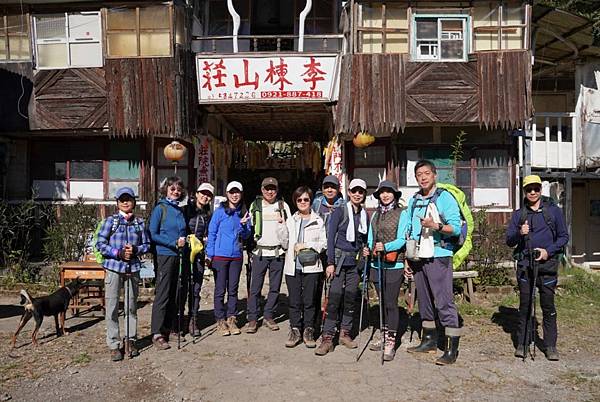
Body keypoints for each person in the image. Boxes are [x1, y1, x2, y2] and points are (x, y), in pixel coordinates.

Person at [404, 160, 463, 365]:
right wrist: (407, 258)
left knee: (444, 301)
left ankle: (450, 350)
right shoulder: (414, 200)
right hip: (418, 256)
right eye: (419, 174)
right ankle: (428, 341)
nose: (423, 177)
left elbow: (455, 228)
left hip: (439, 255)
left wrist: (435, 225)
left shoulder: (445, 198)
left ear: (435, 175)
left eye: (426, 173)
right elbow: (410, 231)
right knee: (425, 301)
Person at [506, 175, 568, 361]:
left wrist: (548, 252)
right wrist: (519, 232)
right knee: (525, 306)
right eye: (529, 189)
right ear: (524, 191)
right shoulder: (519, 214)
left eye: (536, 189)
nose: (532, 192)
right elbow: (509, 241)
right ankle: (523, 344)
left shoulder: (553, 211)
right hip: (525, 266)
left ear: (541, 190)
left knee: (548, 307)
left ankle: (550, 346)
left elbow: (563, 237)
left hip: (547, 266)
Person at [96, 187, 151, 361]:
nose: (125, 202)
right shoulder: (110, 221)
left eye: (128, 199)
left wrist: (135, 249)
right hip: (113, 267)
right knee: (112, 307)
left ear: (134, 201)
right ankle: (114, 344)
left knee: (131, 307)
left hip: (133, 268)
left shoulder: (140, 223)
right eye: (122, 199)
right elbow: (100, 243)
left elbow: (147, 244)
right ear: (117, 202)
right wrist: (117, 253)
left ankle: (131, 340)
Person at [316, 178, 368, 356]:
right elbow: (330, 238)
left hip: (353, 263)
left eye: (361, 192)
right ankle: (328, 337)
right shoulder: (339, 211)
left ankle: (345, 333)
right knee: (334, 299)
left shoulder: (364, 214)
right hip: (337, 262)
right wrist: (330, 262)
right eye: (354, 191)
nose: (357, 195)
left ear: (364, 194)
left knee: (350, 298)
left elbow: (363, 240)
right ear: (349, 193)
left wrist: (364, 254)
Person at [362, 180, 408, 361]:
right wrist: (368, 248)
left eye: (389, 192)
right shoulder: (375, 215)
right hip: (376, 264)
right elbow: (370, 237)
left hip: (394, 264)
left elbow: (403, 238)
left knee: (390, 302)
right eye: (382, 192)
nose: (385, 195)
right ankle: (383, 333)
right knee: (381, 302)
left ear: (395, 195)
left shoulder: (401, 214)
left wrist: (386, 247)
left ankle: (391, 340)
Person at [281, 186, 327, 348]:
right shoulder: (290, 220)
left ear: (311, 201)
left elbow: (323, 243)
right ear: (295, 201)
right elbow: (284, 243)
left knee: (309, 301)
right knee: (294, 301)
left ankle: (309, 330)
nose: (302, 202)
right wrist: (281, 226)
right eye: (299, 199)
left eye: (306, 199)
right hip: (293, 266)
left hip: (312, 266)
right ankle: (295, 330)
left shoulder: (318, 220)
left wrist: (306, 245)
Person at [206, 181, 252, 336]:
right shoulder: (220, 212)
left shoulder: (244, 212)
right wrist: (210, 254)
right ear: (227, 194)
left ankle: (231, 318)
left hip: (236, 256)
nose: (234, 195)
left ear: (241, 193)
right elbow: (211, 232)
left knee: (233, 289)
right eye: (232, 192)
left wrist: (243, 225)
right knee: (220, 289)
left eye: (237, 192)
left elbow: (246, 235)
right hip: (220, 256)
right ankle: (220, 320)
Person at [246, 177, 291, 333]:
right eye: (267, 188)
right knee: (255, 287)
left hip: (277, 252)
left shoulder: (283, 206)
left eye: (272, 188)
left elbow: (289, 228)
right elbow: (248, 227)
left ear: (277, 190)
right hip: (260, 252)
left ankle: (268, 315)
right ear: (262, 189)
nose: (270, 191)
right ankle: (252, 318)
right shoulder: (255, 205)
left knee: (275, 287)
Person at [148, 176, 187, 350]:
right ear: (166, 190)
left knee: (175, 293)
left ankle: (169, 327)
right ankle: (156, 333)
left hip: (178, 255)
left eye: (178, 189)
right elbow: (153, 234)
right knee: (163, 294)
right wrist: (172, 243)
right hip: (164, 255)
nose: (176, 192)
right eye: (172, 189)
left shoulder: (179, 209)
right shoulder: (160, 208)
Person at [183, 182, 214, 337]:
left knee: (195, 289)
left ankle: (193, 320)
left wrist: (208, 254)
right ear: (196, 193)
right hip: (184, 253)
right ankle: (179, 320)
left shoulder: (209, 215)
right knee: (182, 288)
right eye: (202, 192)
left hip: (199, 255)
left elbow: (209, 236)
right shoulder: (185, 210)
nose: (205, 196)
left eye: (208, 194)